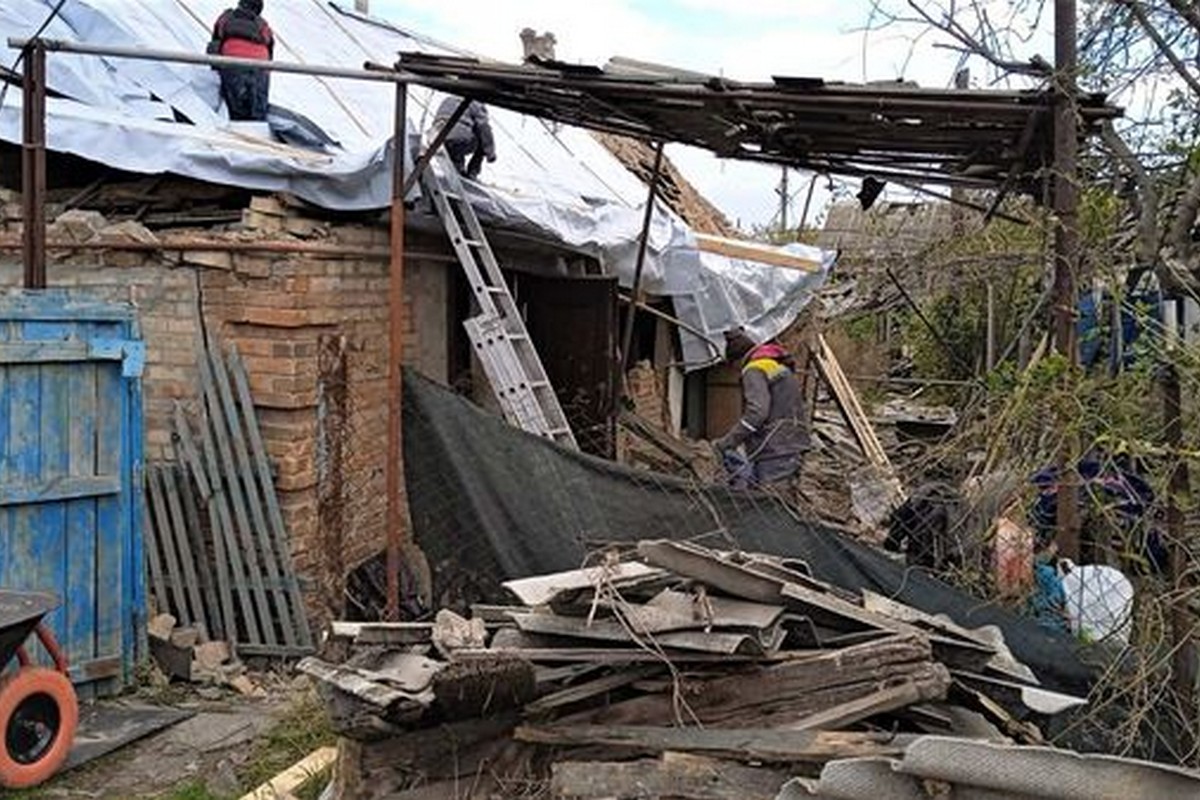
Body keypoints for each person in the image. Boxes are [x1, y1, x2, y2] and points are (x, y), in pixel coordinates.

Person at [714, 329, 810, 489]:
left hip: (775, 449)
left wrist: (728, 442)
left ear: (738, 361)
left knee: (769, 502)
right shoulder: (774, 365)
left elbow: (757, 413)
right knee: (781, 502)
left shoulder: (753, 370)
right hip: (791, 445)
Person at [208, 0, 274, 121]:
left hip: (232, 61)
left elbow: (214, 45)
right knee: (257, 109)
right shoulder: (263, 24)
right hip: (259, 65)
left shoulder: (226, 17)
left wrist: (215, 70)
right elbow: (270, 51)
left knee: (234, 106)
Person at [433, 97, 497, 180]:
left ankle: (458, 169)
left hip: (438, 139)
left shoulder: (447, 99)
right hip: (459, 140)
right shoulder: (476, 103)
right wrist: (490, 153)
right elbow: (484, 128)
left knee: (457, 143)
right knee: (480, 138)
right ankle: (472, 173)